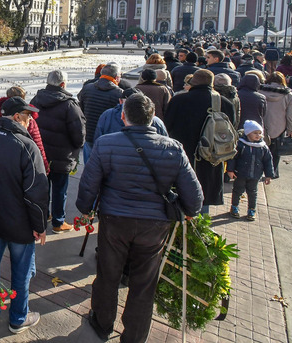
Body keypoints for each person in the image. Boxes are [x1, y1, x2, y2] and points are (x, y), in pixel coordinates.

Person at [77, 93, 203, 343]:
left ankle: (102, 323)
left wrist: (85, 208)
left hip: (115, 220)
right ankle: (134, 337)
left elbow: (89, 183)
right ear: (153, 118)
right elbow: (195, 198)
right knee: (144, 283)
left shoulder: (106, 144)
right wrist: (188, 211)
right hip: (154, 226)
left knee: (108, 274)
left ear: (123, 116)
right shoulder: (173, 148)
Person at [0, 97, 49, 334]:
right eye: (27, 116)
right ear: (16, 117)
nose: (30, 121)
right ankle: (18, 318)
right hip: (20, 226)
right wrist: (40, 225)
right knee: (21, 273)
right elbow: (37, 193)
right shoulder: (27, 146)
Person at [165, 69, 235, 215]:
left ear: (192, 83)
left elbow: (167, 127)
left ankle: (181, 226)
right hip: (211, 157)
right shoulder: (224, 103)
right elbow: (230, 130)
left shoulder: (179, 100)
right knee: (204, 193)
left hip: (182, 154)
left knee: (181, 191)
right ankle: (201, 224)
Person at [29, 69, 86, 234]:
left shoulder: (36, 100)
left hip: (40, 154)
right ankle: (58, 221)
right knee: (60, 190)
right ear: (63, 84)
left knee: (43, 186)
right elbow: (79, 134)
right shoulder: (70, 105)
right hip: (62, 156)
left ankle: (45, 214)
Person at [227, 120, 275, 221]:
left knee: (253, 192)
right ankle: (234, 207)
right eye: (255, 133)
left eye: (260, 133)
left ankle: (251, 209)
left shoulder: (263, 147)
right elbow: (233, 157)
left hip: (255, 175)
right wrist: (230, 170)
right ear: (248, 133)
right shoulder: (241, 145)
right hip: (241, 173)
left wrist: (268, 175)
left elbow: (268, 161)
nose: (258, 135)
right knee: (237, 190)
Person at [261, 72, 292, 176]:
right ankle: (273, 172)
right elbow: (290, 114)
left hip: (262, 125)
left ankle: (259, 170)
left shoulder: (260, 91)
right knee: (276, 152)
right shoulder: (289, 95)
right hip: (279, 126)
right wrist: (291, 129)